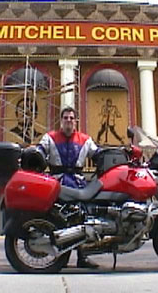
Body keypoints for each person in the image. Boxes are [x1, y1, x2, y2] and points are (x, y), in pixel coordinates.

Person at [36, 106, 100, 268]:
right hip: (56, 183)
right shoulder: (49, 138)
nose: (69, 121)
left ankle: (82, 257)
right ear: (61, 120)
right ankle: (59, 255)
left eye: (72, 118)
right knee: (57, 219)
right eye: (66, 118)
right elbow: (40, 152)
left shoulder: (85, 140)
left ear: (75, 121)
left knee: (82, 219)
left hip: (78, 184)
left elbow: (98, 155)